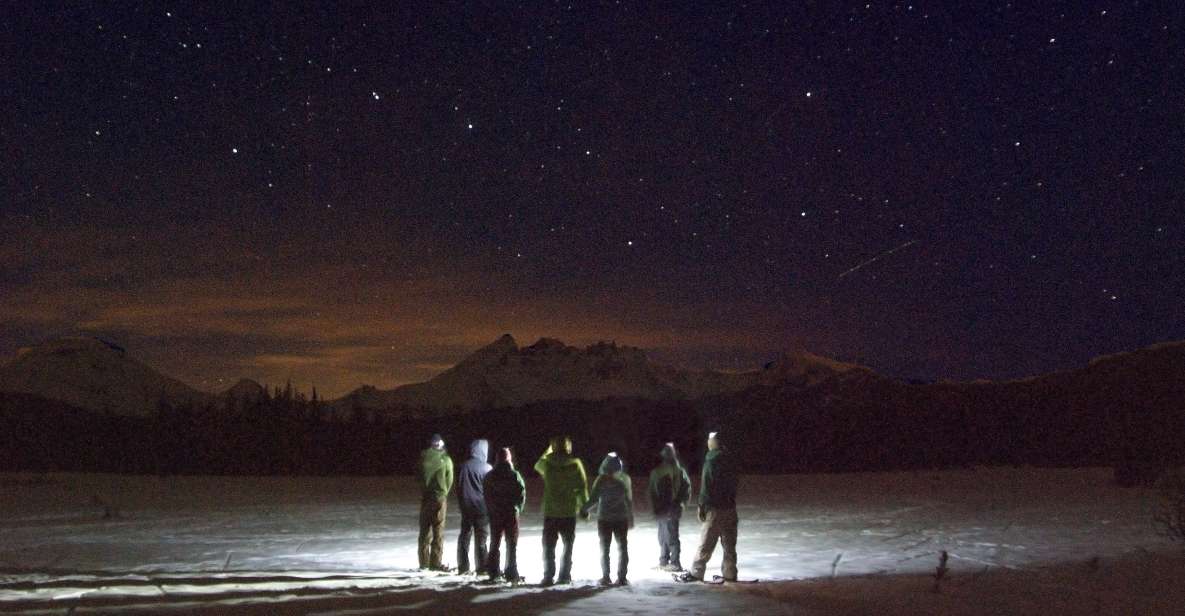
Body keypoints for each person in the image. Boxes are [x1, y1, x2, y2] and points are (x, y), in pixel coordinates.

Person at [682, 431, 739, 582]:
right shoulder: (731, 460)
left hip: (715, 509)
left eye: (709, 441)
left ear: (714, 443)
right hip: (730, 508)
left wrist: (701, 505)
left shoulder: (711, 460)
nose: (707, 443)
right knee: (729, 545)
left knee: (706, 543)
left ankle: (696, 572)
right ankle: (730, 572)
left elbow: (706, 485)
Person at [534, 435, 588, 586]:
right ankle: (564, 575)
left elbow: (537, 465)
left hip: (551, 511)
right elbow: (582, 488)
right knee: (568, 545)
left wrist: (548, 450)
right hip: (568, 511)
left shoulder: (547, 464)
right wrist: (584, 507)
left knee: (549, 546)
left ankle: (548, 575)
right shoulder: (576, 464)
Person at [581, 451, 634, 586]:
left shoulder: (601, 480)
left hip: (604, 518)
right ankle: (622, 577)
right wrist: (630, 516)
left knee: (605, 548)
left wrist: (584, 509)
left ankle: (606, 576)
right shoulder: (625, 479)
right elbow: (628, 500)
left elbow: (593, 499)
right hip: (621, 518)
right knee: (622, 547)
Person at [483, 447, 526, 582]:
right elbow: (521, 493)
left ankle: (494, 572)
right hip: (510, 513)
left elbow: (486, 494)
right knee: (511, 543)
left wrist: (490, 508)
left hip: (496, 513)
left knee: (495, 542)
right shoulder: (514, 475)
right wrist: (518, 508)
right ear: (509, 458)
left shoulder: (490, 476)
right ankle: (511, 572)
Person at [648, 442, 691, 572]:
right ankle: (664, 561)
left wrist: (681, 504)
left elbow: (685, 489)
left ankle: (675, 562)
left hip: (670, 509)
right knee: (663, 536)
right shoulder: (661, 471)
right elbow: (653, 491)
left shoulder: (677, 471)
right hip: (664, 509)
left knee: (671, 536)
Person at [417, 433, 454, 571]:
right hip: (439, 498)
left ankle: (423, 562)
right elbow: (449, 480)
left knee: (424, 530)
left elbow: (418, 476)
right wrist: (443, 492)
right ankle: (435, 562)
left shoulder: (423, 457)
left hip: (426, 498)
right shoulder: (446, 459)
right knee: (438, 530)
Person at [456, 439, 492, 575]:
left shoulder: (463, 466)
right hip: (482, 508)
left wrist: (462, 502)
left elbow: (458, 487)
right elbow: (490, 489)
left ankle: (463, 566)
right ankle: (482, 567)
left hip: (466, 508)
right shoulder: (487, 468)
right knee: (481, 539)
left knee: (464, 537)